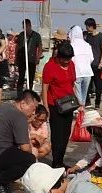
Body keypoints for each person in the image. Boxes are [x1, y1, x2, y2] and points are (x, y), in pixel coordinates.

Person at [40, 40, 77, 169]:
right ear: (58, 56)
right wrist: (45, 106)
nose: (67, 61)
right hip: (54, 104)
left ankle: (60, 160)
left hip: (69, 104)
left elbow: (72, 83)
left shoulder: (71, 64)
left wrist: (78, 100)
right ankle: (56, 162)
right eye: (64, 59)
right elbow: (45, 87)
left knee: (66, 133)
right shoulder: (50, 66)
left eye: (69, 58)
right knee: (57, 134)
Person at [83, 18, 102, 108]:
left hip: (97, 64)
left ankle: (97, 103)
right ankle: (87, 102)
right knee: (88, 84)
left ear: (92, 26)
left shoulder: (101, 36)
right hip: (88, 64)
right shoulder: (88, 37)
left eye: (87, 26)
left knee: (98, 85)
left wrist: (101, 62)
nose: (86, 28)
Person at [68, 26, 94, 106]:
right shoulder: (87, 45)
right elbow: (91, 58)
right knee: (84, 95)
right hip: (87, 72)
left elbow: (70, 60)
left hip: (77, 72)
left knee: (77, 95)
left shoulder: (72, 45)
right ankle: (82, 110)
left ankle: (79, 111)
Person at [16, 19, 42, 95]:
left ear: (30, 25)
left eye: (26, 26)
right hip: (22, 59)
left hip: (31, 59)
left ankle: (29, 92)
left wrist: (37, 58)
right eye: (24, 26)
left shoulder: (36, 35)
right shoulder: (21, 35)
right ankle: (19, 93)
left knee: (31, 76)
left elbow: (40, 47)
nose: (25, 28)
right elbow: (17, 47)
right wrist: (16, 58)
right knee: (21, 76)